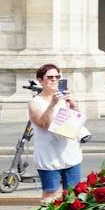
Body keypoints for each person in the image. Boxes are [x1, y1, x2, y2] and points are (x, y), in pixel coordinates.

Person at [27, 64, 84, 201]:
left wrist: (74, 105)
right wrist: (52, 104)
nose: (54, 80)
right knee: (50, 194)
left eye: (57, 77)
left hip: (70, 154)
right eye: (50, 77)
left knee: (73, 195)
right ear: (40, 80)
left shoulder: (64, 98)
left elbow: (76, 122)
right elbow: (43, 124)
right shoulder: (35, 102)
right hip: (49, 157)